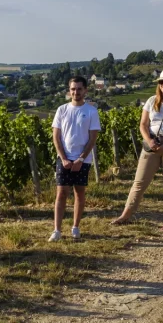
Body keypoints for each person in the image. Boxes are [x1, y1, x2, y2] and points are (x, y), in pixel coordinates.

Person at [111, 68, 163, 229]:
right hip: (152, 142)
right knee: (139, 181)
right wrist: (149, 140)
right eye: (161, 82)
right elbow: (143, 124)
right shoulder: (151, 101)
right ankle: (126, 215)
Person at [49, 76, 101, 241]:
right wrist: (64, 158)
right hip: (63, 158)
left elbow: (92, 138)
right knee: (61, 193)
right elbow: (56, 137)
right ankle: (57, 230)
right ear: (69, 91)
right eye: (73, 89)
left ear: (85, 90)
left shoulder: (91, 111)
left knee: (79, 192)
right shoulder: (62, 110)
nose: (75, 92)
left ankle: (75, 227)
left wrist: (80, 159)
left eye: (79, 89)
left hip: (82, 160)